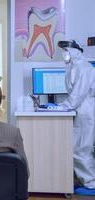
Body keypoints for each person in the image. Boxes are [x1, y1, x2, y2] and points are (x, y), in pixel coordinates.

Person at [58, 40, 95, 188]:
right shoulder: (74, 67)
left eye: (65, 50)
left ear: (74, 51)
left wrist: (64, 106)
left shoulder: (84, 67)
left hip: (85, 110)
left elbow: (79, 93)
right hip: (80, 109)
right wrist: (64, 106)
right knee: (77, 146)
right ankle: (84, 179)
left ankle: (90, 182)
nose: (63, 54)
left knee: (82, 148)